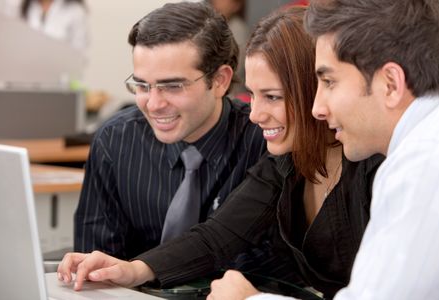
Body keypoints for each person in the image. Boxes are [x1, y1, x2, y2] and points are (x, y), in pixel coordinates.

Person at [58, 6, 384, 298]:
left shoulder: (375, 165)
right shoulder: (285, 162)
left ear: (316, 90)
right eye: (253, 96)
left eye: (271, 97)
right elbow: (216, 237)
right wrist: (133, 270)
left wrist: (254, 299)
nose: (255, 114)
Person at [211, 0, 439, 299]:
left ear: (391, 84)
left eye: (330, 81)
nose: (317, 108)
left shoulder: (423, 165)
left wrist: (247, 299)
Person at [74, 1, 266, 260]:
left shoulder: (262, 141)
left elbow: (275, 268)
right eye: (142, 85)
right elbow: (95, 263)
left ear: (220, 80)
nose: (154, 104)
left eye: (173, 86)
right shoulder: (115, 142)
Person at [19, 0, 88, 51]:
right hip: (27, 66)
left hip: (61, 68)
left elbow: (79, 51)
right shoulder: (26, 6)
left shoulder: (75, 10)